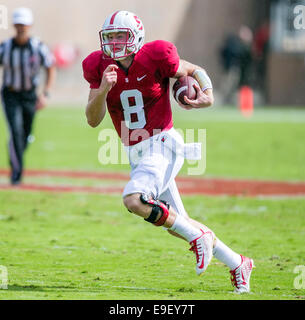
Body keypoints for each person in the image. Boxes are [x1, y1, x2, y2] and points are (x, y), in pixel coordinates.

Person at [82, 11, 254, 293]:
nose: (114, 42)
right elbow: (92, 119)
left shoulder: (157, 55)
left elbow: (192, 69)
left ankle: (197, 237)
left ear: (136, 37)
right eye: (110, 36)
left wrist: (207, 94)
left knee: (134, 200)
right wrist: (102, 90)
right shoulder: (97, 66)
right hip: (135, 151)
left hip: (162, 143)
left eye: (120, 36)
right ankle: (238, 263)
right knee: (177, 224)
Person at [0, 7, 56, 185]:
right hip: (10, 94)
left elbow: (50, 67)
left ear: (29, 25)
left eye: (23, 25)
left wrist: (45, 93)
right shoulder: (5, 47)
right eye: (18, 24)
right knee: (15, 130)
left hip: (29, 95)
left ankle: (15, 154)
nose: (21, 28)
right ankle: (17, 173)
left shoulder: (38, 47)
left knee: (26, 133)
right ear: (14, 25)